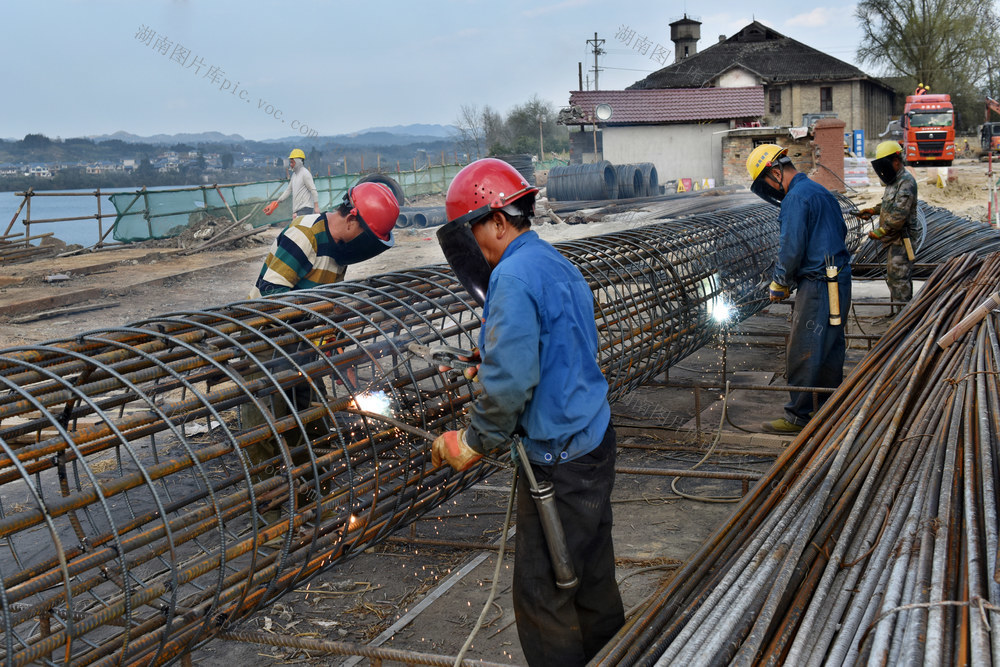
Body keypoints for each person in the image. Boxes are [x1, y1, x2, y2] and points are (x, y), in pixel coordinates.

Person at [432, 158, 624, 666]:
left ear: (498, 220)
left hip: (559, 460)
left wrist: (471, 442)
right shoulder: (552, 262)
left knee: (544, 594)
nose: (476, 249)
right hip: (593, 442)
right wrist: (488, 358)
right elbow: (565, 342)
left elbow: (513, 383)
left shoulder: (512, 276)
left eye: (475, 233)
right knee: (592, 575)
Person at [243, 181, 399, 521]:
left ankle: (317, 504)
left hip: (302, 350)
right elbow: (272, 299)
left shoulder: (339, 249)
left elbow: (324, 303)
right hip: (265, 345)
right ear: (353, 220)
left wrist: (333, 345)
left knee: (311, 424)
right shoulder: (305, 235)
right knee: (263, 434)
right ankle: (271, 522)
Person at [746, 144, 852, 434]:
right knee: (829, 346)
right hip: (838, 281)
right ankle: (828, 408)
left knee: (805, 347)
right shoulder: (820, 192)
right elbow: (838, 234)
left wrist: (780, 281)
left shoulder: (796, 198)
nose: (771, 190)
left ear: (775, 172)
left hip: (818, 285)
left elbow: (791, 247)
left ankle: (800, 415)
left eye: (766, 183)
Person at [857, 140, 918, 305]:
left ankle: (904, 317)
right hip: (894, 238)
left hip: (902, 239)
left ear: (896, 162)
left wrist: (881, 231)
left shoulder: (906, 182)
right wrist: (872, 211)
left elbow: (899, 214)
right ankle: (900, 312)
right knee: (894, 276)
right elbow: (888, 204)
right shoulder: (894, 181)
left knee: (899, 277)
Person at [264, 148, 319, 218]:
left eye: (292, 162)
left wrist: (316, 207)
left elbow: (313, 190)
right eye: (290, 162)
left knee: (298, 227)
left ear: (298, 162)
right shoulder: (294, 175)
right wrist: (277, 202)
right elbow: (288, 190)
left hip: (305, 208)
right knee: (296, 226)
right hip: (298, 209)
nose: (291, 164)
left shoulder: (305, 173)